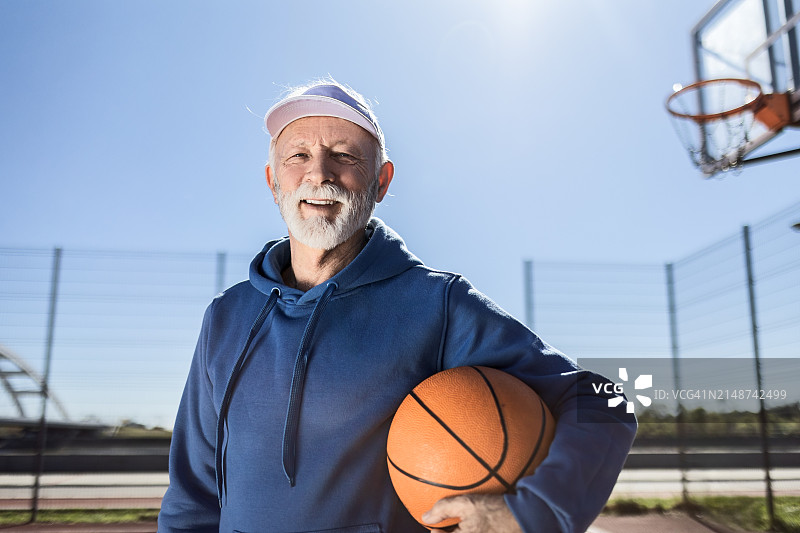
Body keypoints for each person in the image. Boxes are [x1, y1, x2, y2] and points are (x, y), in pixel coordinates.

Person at [157, 78, 636, 533]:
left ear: (381, 182)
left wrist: (535, 513)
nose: (319, 173)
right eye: (297, 156)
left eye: (344, 155)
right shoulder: (226, 316)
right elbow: (192, 493)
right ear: (272, 181)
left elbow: (603, 401)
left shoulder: (435, 303)